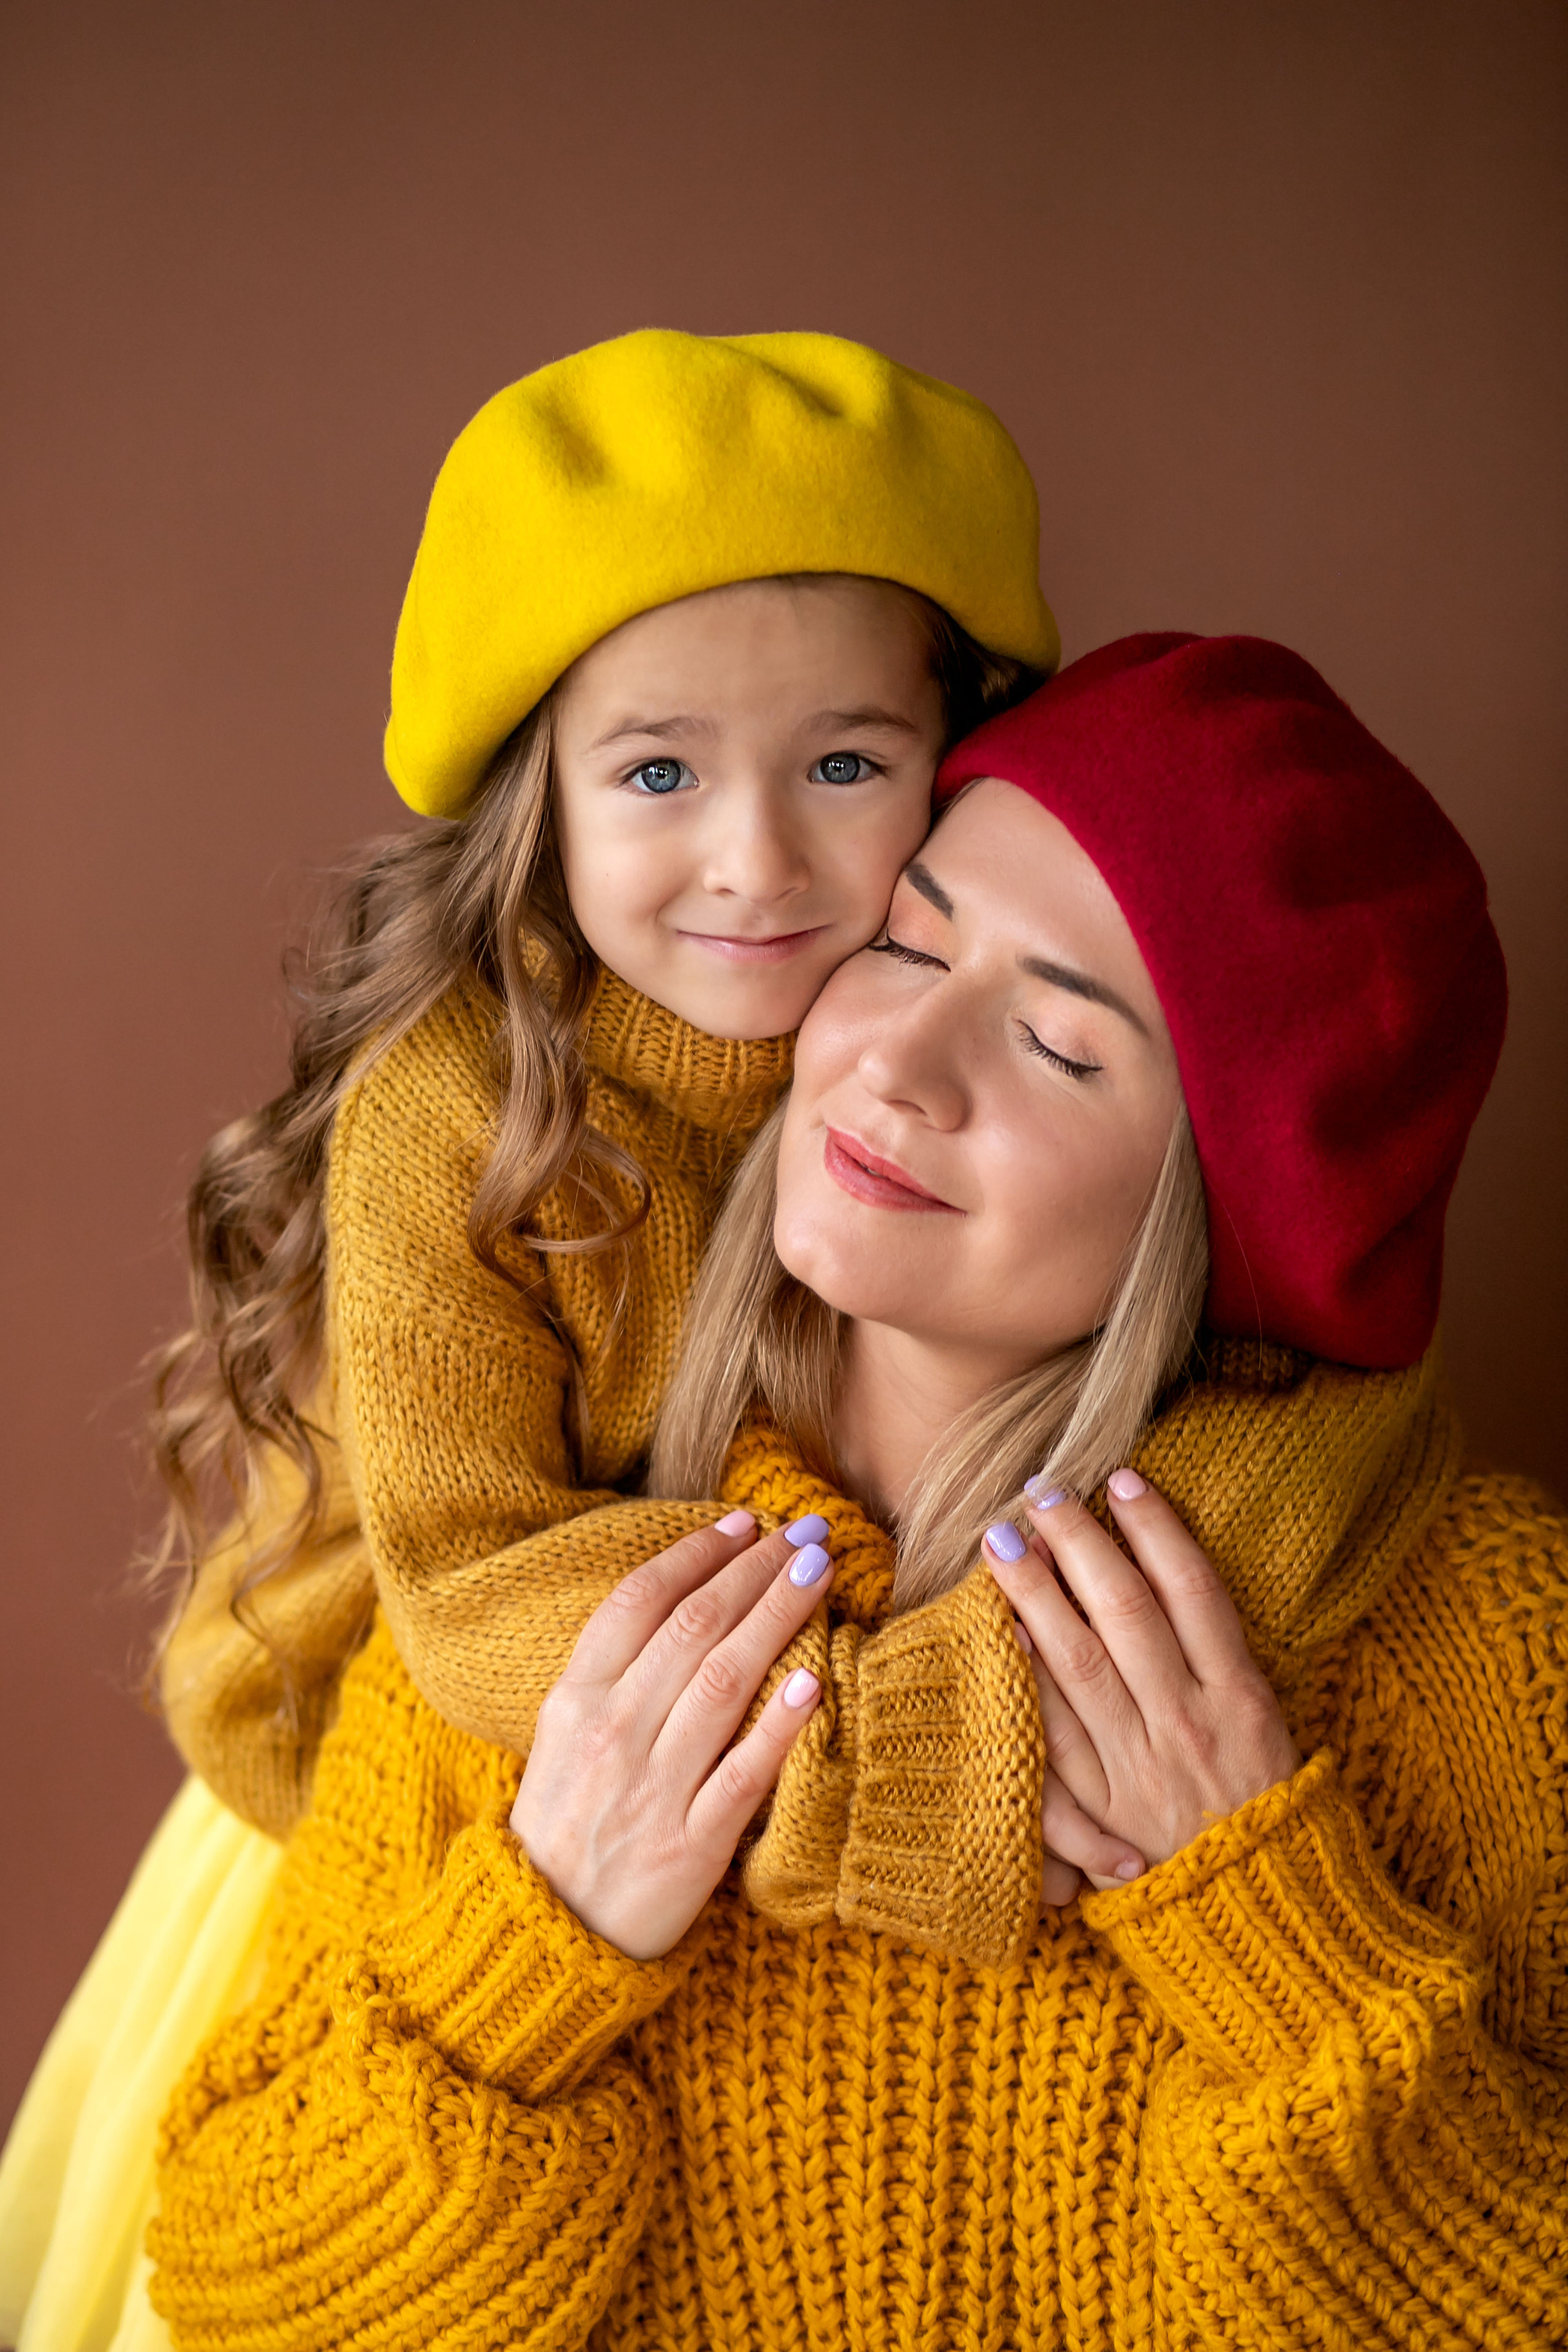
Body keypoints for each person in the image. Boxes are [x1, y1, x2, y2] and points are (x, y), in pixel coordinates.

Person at [146, 635, 1566, 2347]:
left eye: (1056, 1046)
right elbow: (233, 2290)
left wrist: (1274, 1938)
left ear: (1233, 1206)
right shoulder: (566, 1591)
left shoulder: (1485, 1645)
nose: (896, 1062)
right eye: (907, 940)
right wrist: (538, 1946)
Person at [0, 326, 1075, 2352]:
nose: (757, 859)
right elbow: (476, 1571)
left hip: (738, 1757)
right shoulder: (469, 1112)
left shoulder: (968, 1063)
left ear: (959, 751)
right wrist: (886, 1725)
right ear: (539, 793)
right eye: (659, 772)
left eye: (844, 761)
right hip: (473, 1761)